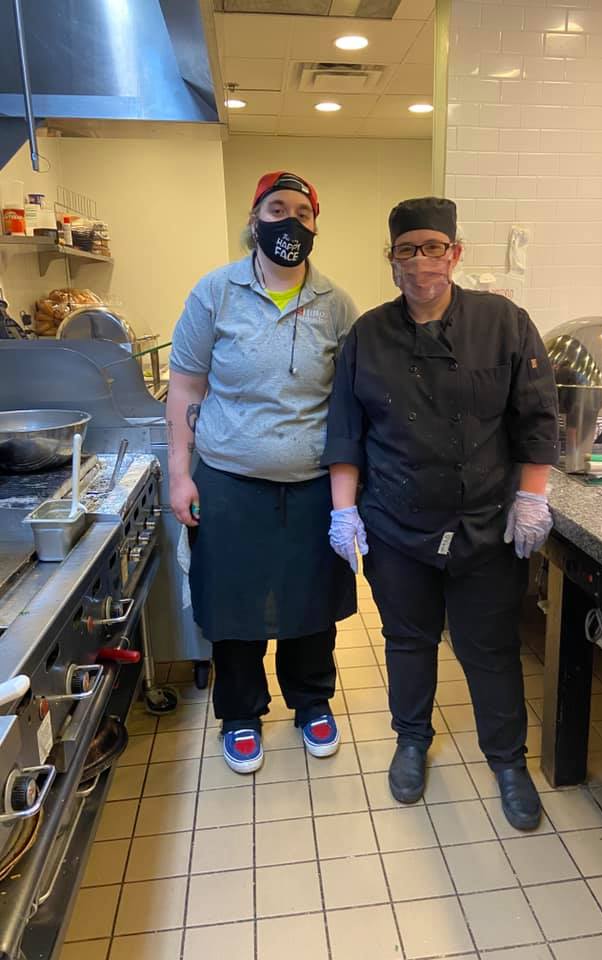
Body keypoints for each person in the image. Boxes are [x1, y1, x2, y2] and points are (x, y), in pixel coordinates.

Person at [321, 197, 558, 830]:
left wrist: (532, 497)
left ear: (455, 254)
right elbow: (344, 433)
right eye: (407, 250)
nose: (420, 261)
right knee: (408, 640)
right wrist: (344, 514)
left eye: (432, 247)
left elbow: (537, 419)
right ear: (391, 259)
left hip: (486, 524)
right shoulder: (367, 335)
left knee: (491, 647)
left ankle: (508, 762)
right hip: (396, 524)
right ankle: (411, 739)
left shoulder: (504, 322)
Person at [168, 171, 358, 774]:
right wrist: (180, 473)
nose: (290, 222)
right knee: (233, 605)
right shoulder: (215, 293)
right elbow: (185, 386)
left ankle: (312, 702)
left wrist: (350, 499)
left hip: (311, 486)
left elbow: (349, 404)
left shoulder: (336, 305)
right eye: (277, 209)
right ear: (254, 220)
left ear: (316, 224)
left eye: (303, 212)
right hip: (229, 481)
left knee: (311, 601)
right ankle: (241, 713)